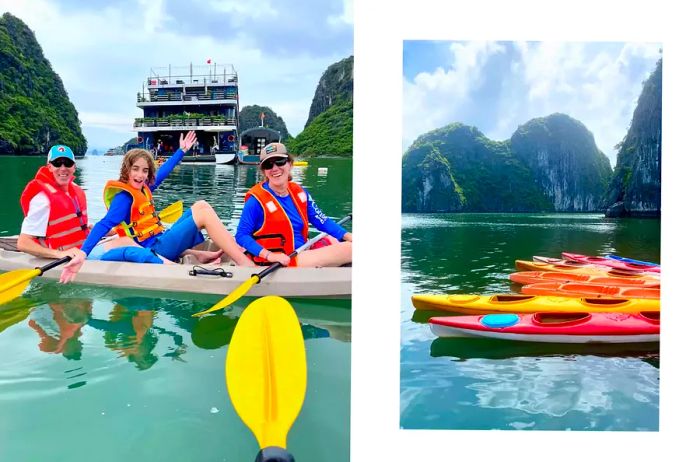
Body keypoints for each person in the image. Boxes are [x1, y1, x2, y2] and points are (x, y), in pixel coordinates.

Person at [60, 131, 253, 283]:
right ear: (126, 170)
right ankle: (243, 261)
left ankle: (213, 252)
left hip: (159, 240)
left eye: (145, 170)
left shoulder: (143, 188)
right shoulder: (124, 198)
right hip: (155, 249)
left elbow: (163, 173)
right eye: (135, 169)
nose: (140, 174)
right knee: (201, 210)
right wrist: (83, 253)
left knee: (198, 204)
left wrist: (182, 151)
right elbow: (103, 224)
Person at [235, 142, 352, 267]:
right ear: (264, 171)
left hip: (301, 249)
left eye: (280, 161)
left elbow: (321, 220)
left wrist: (348, 235)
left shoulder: (300, 193)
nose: (275, 168)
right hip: (282, 260)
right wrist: (269, 255)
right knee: (351, 249)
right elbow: (241, 236)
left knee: (336, 238)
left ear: (290, 164)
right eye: (268, 165)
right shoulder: (255, 201)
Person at [18, 145, 137, 260]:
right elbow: (23, 243)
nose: (63, 168)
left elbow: (75, 223)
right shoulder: (42, 199)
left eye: (68, 163)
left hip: (83, 249)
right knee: (126, 243)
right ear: (49, 167)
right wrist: (59, 254)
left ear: (74, 167)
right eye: (57, 163)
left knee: (128, 237)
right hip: (64, 257)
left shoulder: (75, 190)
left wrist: (97, 230)